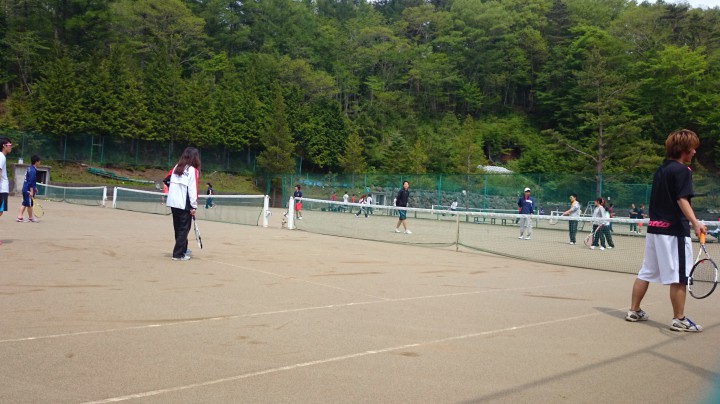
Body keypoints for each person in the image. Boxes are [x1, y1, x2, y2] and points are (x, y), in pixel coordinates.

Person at [626, 129, 706, 332]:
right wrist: (696, 223)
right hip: (673, 232)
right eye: (693, 148)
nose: (694, 152)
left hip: (654, 230)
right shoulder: (683, 171)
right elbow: (682, 199)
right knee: (679, 277)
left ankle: (634, 310)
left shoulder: (661, 170)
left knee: (645, 272)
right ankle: (679, 319)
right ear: (685, 149)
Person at [166, 147, 200, 261]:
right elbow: (193, 189)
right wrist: (194, 206)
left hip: (173, 202)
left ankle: (183, 250)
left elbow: (167, 180)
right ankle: (178, 254)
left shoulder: (177, 167)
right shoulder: (193, 170)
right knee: (184, 229)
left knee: (178, 228)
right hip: (183, 204)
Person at [17, 155, 41, 223]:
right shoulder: (33, 170)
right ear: (36, 162)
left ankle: (20, 217)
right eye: (39, 161)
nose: (40, 163)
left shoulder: (30, 168)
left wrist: (35, 187)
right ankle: (30, 218)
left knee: (24, 203)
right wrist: (31, 191)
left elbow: (31, 180)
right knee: (29, 205)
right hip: (28, 190)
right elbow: (30, 181)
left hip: (25, 189)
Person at [0, 138, 12, 245]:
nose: (11, 146)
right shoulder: (1, 157)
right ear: (4, 145)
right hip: (1, 190)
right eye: (9, 144)